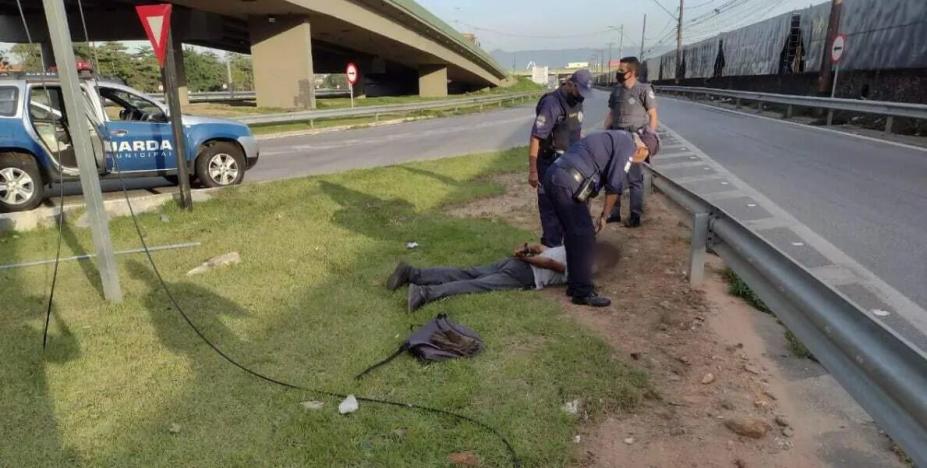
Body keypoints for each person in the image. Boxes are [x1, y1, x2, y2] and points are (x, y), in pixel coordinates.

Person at [541, 129, 660, 307]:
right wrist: (605, 215)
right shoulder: (628, 146)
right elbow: (614, 186)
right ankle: (583, 292)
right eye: (644, 158)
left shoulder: (617, 136)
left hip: (555, 175)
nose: (640, 162)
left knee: (574, 235)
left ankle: (575, 284)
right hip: (567, 181)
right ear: (643, 150)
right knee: (585, 235)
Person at [386, 242, 620, 312]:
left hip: (517, 262)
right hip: (525, 273)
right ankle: (424, 293)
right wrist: (527, 257)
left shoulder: (575, 247)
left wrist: (525, 250)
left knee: (469, 273)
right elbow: (550, 263)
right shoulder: (582, 266)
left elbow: (544, 250)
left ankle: (412, 273)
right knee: (475, 284)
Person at [528, 69, 594, 247]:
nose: (582, 97)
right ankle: (551, 248)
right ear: (570, 84)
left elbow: (576, 133)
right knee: (550, 211)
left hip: (571, 164)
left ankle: (570, 250)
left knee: (574, 206)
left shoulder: (578, 100)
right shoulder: (552, 104)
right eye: (579, 91)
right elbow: (536, 138)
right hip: (549, 164)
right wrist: (533, 171)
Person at [603, 57, 659, 228]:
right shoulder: (616, 91)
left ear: (632, 72)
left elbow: (653, 115)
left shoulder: (643, 90)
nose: (618, 74)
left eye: (621, 70)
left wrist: (648, 138)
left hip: (634, 139)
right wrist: (605, 133)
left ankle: (635, 215)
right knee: (614, 176)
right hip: (616, 137)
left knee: (635, 179)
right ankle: (614, 213)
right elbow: (611, 114)